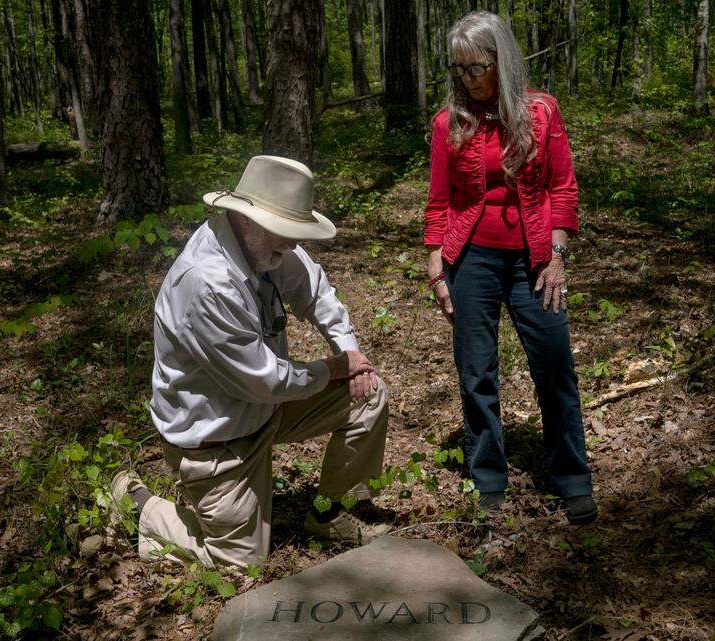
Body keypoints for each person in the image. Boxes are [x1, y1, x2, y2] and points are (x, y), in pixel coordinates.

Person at [111, 155, 392, 568]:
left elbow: (315, 290)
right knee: (240, 562)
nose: (293, 244)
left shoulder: (265, 246)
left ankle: (331, 512)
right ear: (245, 219)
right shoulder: (208, 284)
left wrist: (347, 352)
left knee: (367, 394)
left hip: (265, 409)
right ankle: (142, 507)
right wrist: (332, 369)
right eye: (285, 233)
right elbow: (264, 380)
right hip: (219, 441)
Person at [424, 11, 597, 524]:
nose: (467, 79)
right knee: (476, 371)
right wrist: (437, 267)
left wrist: (558, 257)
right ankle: (489, 480)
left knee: (555, 366)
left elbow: (563, 188)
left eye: (475, 67)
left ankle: (571, 478)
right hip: (470, 257)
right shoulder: (447, 123)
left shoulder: (542, 112)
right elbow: (439, 203)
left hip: (535, 257)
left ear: (501, 60)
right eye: (458, 70)